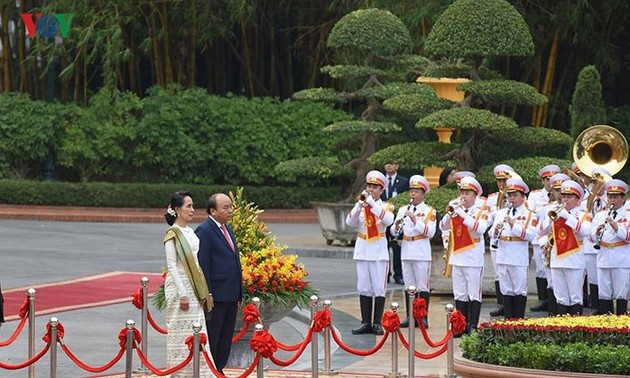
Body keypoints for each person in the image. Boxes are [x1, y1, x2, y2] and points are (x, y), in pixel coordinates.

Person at [163, 191, 214, 378]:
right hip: (179, 288)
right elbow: (172, 266)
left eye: (193, 205)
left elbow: (197, 263)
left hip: (195, 285)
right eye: (188, 206)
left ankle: (200, 371)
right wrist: (182, 293)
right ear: (177, 210)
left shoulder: (191, 232)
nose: (193, 210)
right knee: (180, 329)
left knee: (197, 326)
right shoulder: (172, 234)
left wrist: (204, 289)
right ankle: (178, 371)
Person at [196, 193, 243, 375]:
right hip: (216, 295)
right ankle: (210, 370)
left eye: (230, 206)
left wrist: (240, 291)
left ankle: (219, 369)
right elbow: (203, 266)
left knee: (225, 337)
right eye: (225, 207)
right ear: (213, 211)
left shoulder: (227, 229)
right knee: (214, 336)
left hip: (231, 293)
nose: (230, 210)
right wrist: (207, 294)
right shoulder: (205, 231)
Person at [348, 170, 395, 335]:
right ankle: (365, 322)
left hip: (378, 252)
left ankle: (377, 322)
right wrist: (359, 204)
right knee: (364, 287)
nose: (371, 189)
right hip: (362, 250)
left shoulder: (385, 206)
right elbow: (349, 221)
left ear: (381, 190)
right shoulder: (362, 206)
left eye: (375, 187)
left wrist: (372, 204)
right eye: (369, 185)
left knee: (378, 287)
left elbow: (389, 221)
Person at [440, 176, 488, 335]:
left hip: (473, 256)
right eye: (462, 192)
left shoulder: (481, 210)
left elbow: (480, 229)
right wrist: (450, 213)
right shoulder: (455, 209)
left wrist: (462, 214)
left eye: (467, 193)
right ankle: (460, 325)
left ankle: (473, 325)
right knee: (460, 292)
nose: (463, 196)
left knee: (474, 292)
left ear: (475, 195)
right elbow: (442, 226)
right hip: (458, 255)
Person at [540, 180, 592, 315]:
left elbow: (586, 231)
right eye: (563, 196)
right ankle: (562, 328)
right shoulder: (556, 212)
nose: (565, 199)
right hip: (557, 259)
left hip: (574, 260)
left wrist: (567, 216)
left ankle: (575, 330)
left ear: (577, 199)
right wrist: (550, 219)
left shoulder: (582, 214)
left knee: (575, 296)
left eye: (569, 197)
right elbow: (540, 231)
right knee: (561, 297)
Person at [391, 175, 436, 328]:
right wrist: (397, 225)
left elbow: (430, 232)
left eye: (416, 191)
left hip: (421, 251)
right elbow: (393, 231)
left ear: (423, 193)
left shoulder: (429, 211)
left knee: (422, 286)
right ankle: (410, 316)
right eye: (411, 190)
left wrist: (416, 220)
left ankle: (423, 317)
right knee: (409, 285)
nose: (413, 194)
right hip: (406, 249)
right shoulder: (403, 209)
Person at [488, 178, 537, 319]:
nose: (511, 198)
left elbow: (530, 235)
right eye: (509, 195)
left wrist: (513, 226)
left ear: (523, 197)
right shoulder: (501, 213)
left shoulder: (529, 215)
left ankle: (518, 320)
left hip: (518, 256)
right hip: (503, 254)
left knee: (519, 289)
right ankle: (508, 320)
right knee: (506, 289)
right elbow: (490, 233)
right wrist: (496, 231)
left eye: (515, 195)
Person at [591, 179, 630, 315]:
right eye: (610, 197)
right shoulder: (600, 215)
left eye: (615, 197)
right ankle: (605, 323)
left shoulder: (628, 215)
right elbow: (590, 237)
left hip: (621, 259)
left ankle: (621, 323)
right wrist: (597, 232)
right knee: (604, 293)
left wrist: (615, 226)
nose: (612, 200)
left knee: (621, 292)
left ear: (623, 198)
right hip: (604, 257)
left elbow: (628, 237)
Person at [527, 164, 560, 312]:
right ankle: (543, 299)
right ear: (543, 180)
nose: (550, 182)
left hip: (559, 239)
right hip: (540, 238)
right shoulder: (535, 195)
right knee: (541, 269)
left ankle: (555, 302)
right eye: (547, 179)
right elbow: (532, 213)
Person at [486, 164, 516, 317]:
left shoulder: (515, 196)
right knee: (499, 273)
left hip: (511, 239)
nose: (501, 184)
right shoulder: (491, 198)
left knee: (511, 274)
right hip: (496, 238)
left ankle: (510, 305)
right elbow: (487, 218)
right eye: (499, 181)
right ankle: (501, 303)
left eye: (504, 180)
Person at [381, 162, 409, 285]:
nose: (389, 166)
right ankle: (385, 274)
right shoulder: (380, 180)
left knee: (396, 246)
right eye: (387, 164)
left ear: (397, 166)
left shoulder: (403, 181)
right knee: (383, 246)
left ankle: (398, 274)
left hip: (397, 216)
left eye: (392, 164)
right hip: (382, 217)